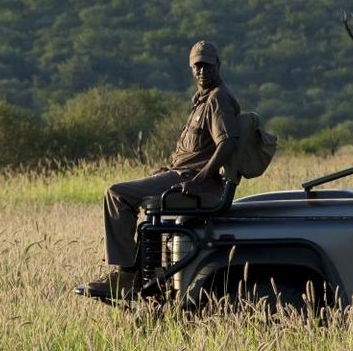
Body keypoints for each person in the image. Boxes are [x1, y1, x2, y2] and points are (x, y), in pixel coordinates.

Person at [80, 40, 240, 301]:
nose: (201, 71)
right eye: (196, 66)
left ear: (218, 66)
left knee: (117, 194)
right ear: (190, 69)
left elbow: (228, 142)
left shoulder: (218, 98)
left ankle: (126, 275)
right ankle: (147, 274)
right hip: (182, 174)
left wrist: (200, 179)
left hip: (192, 181)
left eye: (206, 65)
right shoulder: (203, 100)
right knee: (135, 206)